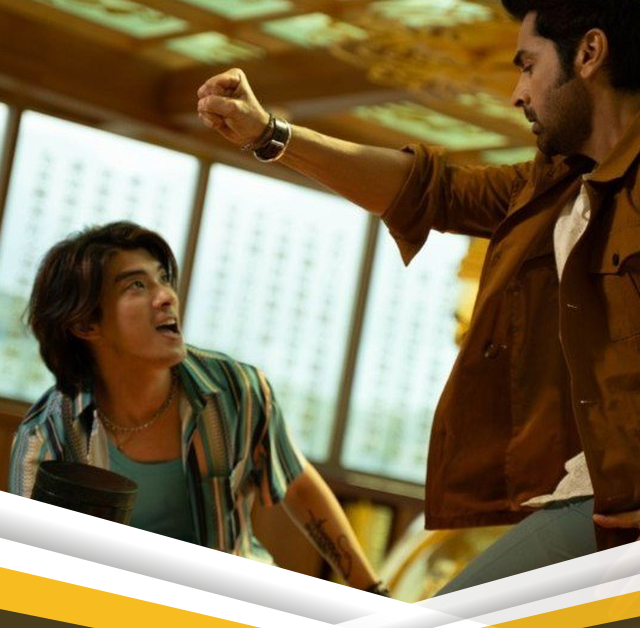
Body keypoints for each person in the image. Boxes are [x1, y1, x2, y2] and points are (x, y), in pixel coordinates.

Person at [196, 0, 640, 594]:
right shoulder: (556, 182)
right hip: (595, 498)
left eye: (529, 66)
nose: (518, 93)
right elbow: (434, 191)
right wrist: (269, 134)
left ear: (588, 54)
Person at [9, 221, 389, 596]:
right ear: (86, 324)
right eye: (136, 285)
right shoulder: (47, 436)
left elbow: (297, 485)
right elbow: (35, 575)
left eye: (163, 279)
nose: (165, 296)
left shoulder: (237, 389)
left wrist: (375, 594)